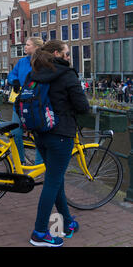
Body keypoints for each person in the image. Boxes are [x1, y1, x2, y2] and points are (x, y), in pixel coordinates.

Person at [28, 40, 90, 247]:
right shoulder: (67, 74)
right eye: (66, 53)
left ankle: (68, 222)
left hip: (40, 132)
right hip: (61, 134)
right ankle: (39, 232)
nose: (69, 57)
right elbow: (82, 106)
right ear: (57, 53)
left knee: (56, 179)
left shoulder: (35, 72)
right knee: (53, 181)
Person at [8, 37, 44, 165]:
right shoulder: (22, 62)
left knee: (39, 135)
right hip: (21, 103)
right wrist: (14, 81)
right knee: (15, 132)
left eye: (28, 45)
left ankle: (39, 164)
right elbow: (12, 74)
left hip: (36, 104)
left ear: (36, 48)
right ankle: (20, 160)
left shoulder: (43, 63)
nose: (25, 46)